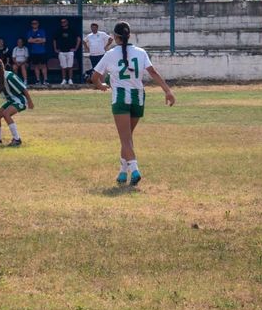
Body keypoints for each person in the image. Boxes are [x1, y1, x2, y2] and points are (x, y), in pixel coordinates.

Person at [91, 20, 175, 185]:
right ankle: (123, 172)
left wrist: (101, 86)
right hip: (138, 97)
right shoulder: (141, 52)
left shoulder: (110, 54)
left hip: (121, 98)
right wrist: (167, 90)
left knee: (125, 139)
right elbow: (153, 72)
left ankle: (135, 170)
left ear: (115, 37)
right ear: (129, 36)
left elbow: (94, 77)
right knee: (127, 138)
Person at [0, 58, 33, 147]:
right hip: (12, 100)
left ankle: (17, 139)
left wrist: (30, 102)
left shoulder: (9, 76)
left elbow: (23, 89)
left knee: (6, 114)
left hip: (20, 100)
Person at [53, 17, 80, 86]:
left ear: (67, 22)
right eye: (62, 22)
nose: (63, 23)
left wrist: (76, 48)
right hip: (61, 52)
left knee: (70, 66)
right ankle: (64, 80)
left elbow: (78, 39)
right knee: (63, 67)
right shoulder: (59, 30)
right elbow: (54, 40)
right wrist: (55, 49)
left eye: (64, 22)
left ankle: (70, 80)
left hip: (70, 51)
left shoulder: (72, 30)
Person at [25, 19, 49, 85]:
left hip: (42, 52)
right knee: (36, 66)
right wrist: (38, 39)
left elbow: (44, 40)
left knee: (43, 66)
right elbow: (29, 41)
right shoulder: (29, 32)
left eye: (35, 23)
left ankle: (45, 80)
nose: (34, 24)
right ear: (31, 24)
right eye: (33, 23)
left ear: (38, 24)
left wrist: (34, 40)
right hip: (34, 52)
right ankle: (38, 80)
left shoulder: (41, 31)